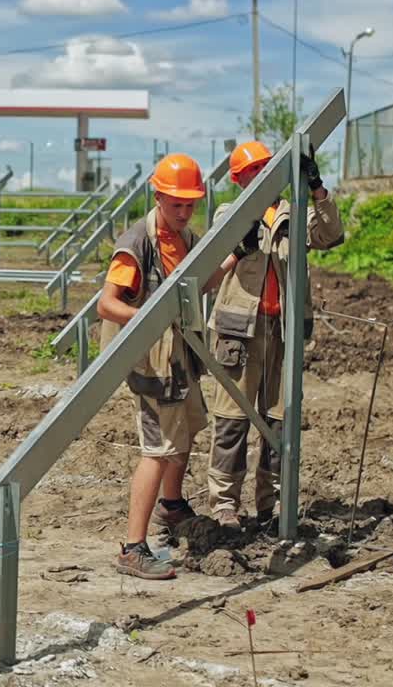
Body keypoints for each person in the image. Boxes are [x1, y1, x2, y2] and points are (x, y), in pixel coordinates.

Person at [97, 153, 232, 580]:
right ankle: (133, 548)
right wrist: (151, 319)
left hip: (177, 358)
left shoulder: (186, 238)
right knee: (157, 451)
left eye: (191, 204)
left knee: (188, 429)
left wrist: (229, 259)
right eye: (177, 204)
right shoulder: (137, 242)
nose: (184, 211)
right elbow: (107, 304)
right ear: (158, 197)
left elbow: (200, 286)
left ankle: (171, 507)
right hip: (151, 363)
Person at [205, 141, 343, 530]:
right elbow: (214, 262)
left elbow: (330, 235)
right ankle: (224, 504)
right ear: (238, 179)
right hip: (239, 332)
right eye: (255, 170)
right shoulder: (229, 214)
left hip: (283, 331)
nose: (263, 175)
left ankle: (272, 503)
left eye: (268, 167)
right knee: (232, 420)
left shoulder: (294, 212)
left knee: (278, 420)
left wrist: (316, 188)